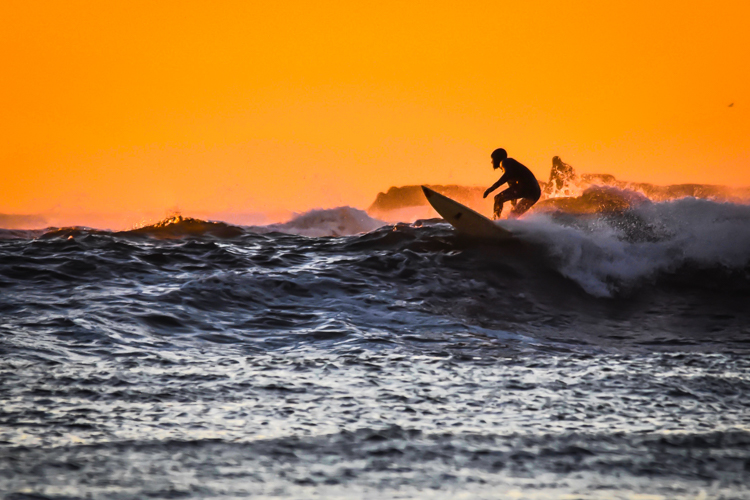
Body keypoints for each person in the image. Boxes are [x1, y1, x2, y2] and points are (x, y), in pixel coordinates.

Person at [483, 148, 541, 219]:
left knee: (498, 198)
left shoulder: (504, 162)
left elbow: (507, 176)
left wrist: (490, 189)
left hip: (527, 188)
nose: (492, 162)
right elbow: (513, 187)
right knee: (512, 215)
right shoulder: (511, 166)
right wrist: (513, 204)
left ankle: (495, 220)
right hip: (535, 193)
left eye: (492, 159)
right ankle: (506, 225)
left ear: (497, 158)